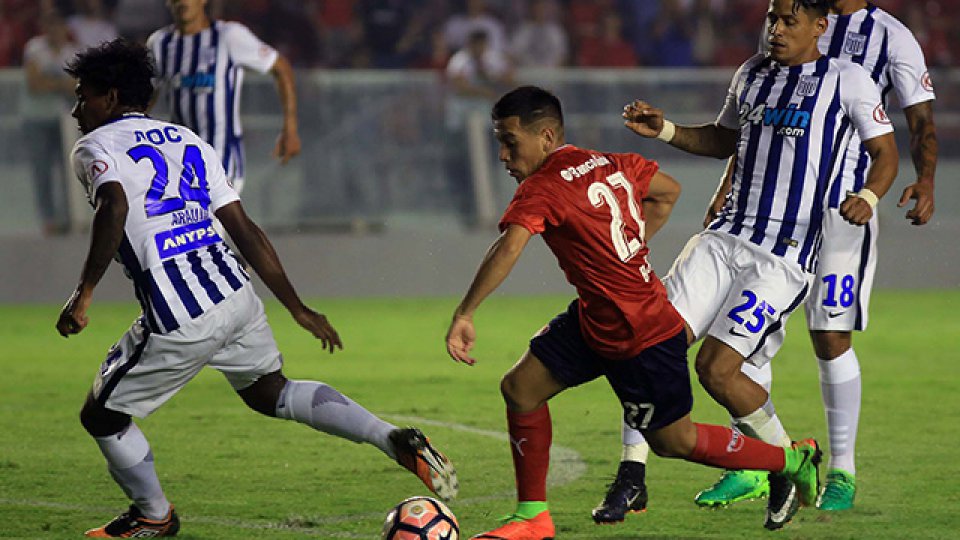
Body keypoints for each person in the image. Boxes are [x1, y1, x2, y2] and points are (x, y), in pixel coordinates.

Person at [57, 39, 457, 538]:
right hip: (236, 295)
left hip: (179, 314)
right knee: (272, 392)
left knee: (102, 416)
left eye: (83, 96)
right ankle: (390, 436)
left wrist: (83, 293)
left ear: (112, 97)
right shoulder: (188, 140)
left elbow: (113, 207)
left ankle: (153, 514)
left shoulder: (94, 146)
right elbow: (245, 229)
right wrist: (296, 306)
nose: (76, 109)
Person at [445, 85, 822, 540]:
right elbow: (667, 191)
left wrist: (466, 312)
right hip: (595, 319)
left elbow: (509, 248)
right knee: (520, 388)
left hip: (640, 332)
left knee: (674, 442)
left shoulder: (542, 187)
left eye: (509, 141)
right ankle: (532, 517)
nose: (503, 154)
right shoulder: (608, 162)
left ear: (545, 137)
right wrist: (628, 245)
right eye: (499, 142)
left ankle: (791, 460)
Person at [609, 0, 938, 515]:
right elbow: (726, 139)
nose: (776, 30)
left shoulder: (849, 79)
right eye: (771, 20)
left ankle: (795, 462)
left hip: (783, 254)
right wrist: (668, 130)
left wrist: (870, 197)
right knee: (647, 342)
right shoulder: (751, 73)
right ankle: (631, 473)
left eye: (789, 21)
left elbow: (886, 152)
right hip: (722, 239)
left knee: (718, 370)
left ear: (819, 27)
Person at [146, 0, 300, 196]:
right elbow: (147, 94)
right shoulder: (160, 43)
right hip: (179, 162)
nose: (183, 1)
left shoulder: (229, 36)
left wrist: (290, 128)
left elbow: (281, 67)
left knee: (209, 226)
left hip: (223, 162)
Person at [22, 7, 81, 235]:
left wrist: (51, 81)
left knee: (67, 170)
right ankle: (48, 219)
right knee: (42, 170)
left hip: (64, 121)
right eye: (49, 26)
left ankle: (69, 216)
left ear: (64, 29)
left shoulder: (73, 52)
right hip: (36, 119)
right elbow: (34, 84)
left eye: (57, 26)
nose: (53, 31)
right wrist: (61, 83)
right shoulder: (35, 47)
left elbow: (77, 86)